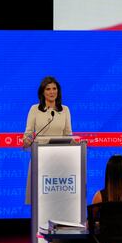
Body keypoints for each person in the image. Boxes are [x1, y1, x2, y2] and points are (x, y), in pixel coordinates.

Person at [23, 76, 73, 204]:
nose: (52, 92)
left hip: (60, 159)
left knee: (57, 201)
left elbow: (68, 135)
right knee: (40, 199)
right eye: (48, 89)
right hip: (40, 158)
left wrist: (76, 143)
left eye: (54, 89)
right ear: (43, 92)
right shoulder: (35, 109)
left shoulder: (65, 110)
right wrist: (27, 140)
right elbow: (28, 133)